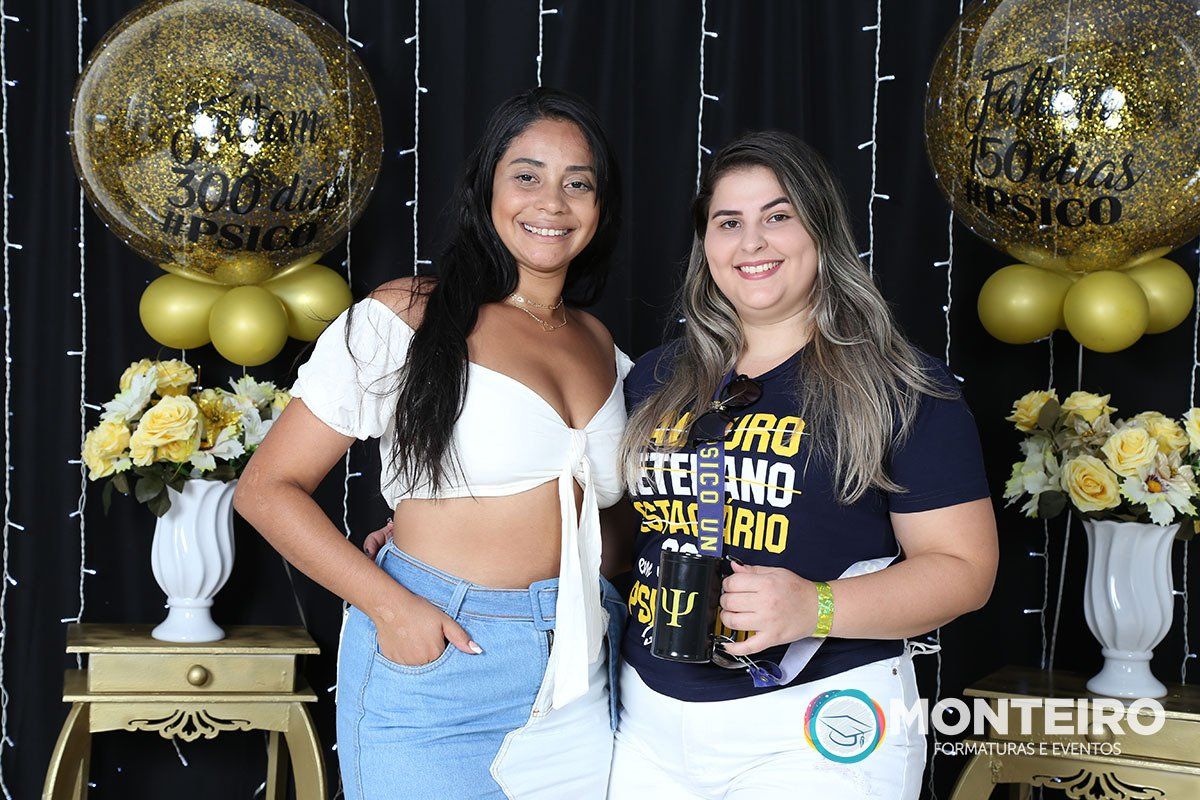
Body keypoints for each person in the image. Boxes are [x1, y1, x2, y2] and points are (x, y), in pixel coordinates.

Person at [234, 87, 632, 800]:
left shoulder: (601, 344)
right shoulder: (409, 315)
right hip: (444, 664)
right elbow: (266, 490)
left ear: (599, 208)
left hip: (582, 666)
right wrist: (394, 608)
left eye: (579, 183)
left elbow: (609, 511)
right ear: (487, 189)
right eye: (528, 176)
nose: (552, 202)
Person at [606, 131, 998, 798]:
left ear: (820, 230)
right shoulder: (655, 378)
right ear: (706, 245)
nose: (751, 243)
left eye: (778, 216)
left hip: (818, 722)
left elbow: (965, 571)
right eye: (729, 222)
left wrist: (814, 606)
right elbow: (625, 533)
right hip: (647, 718)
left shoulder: (898, 385)